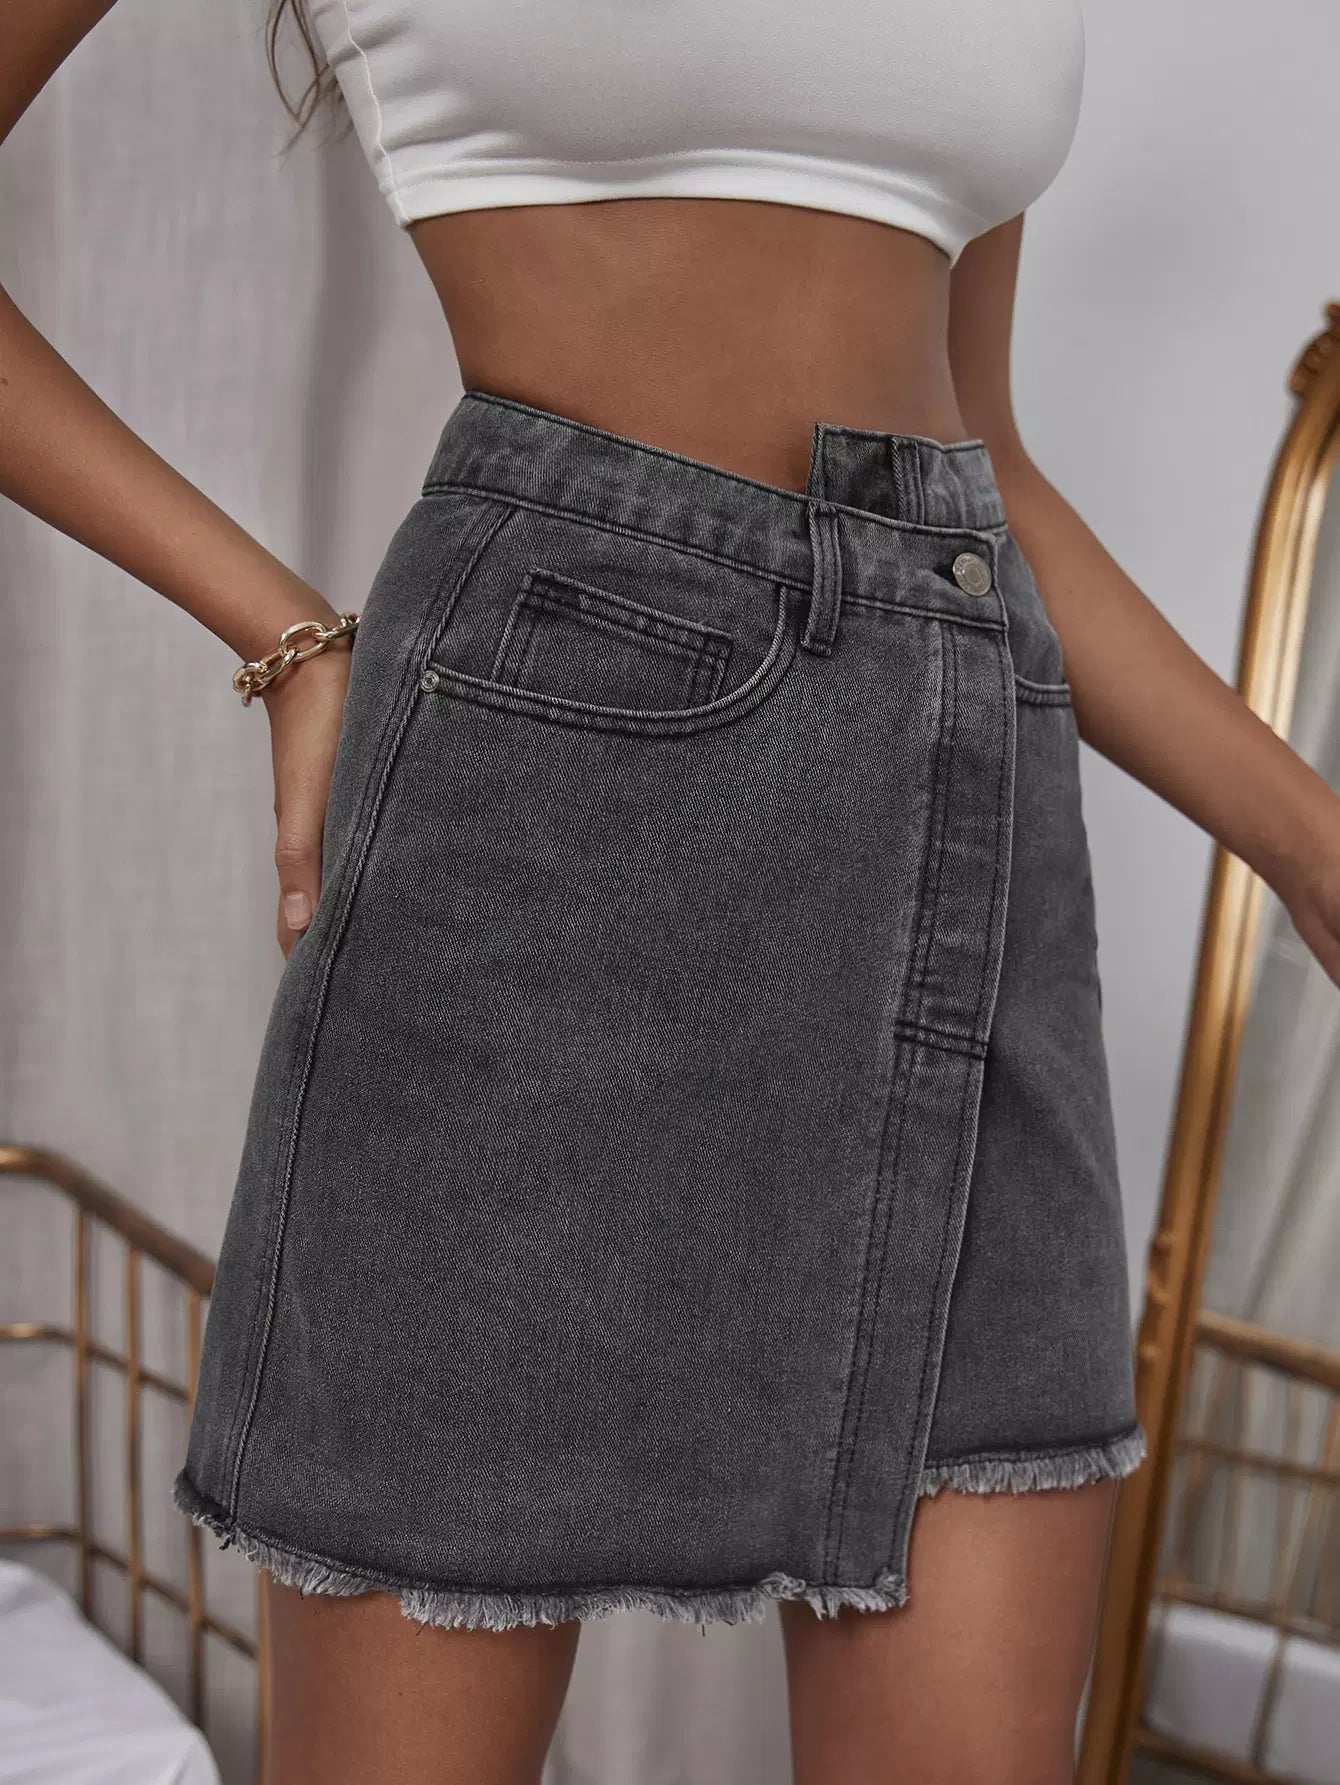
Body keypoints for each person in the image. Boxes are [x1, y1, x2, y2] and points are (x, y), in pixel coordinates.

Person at [5, 3, 1339, 1781]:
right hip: (552, 784)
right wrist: (286, 637)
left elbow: (987, 463)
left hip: (970, 810)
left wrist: (1311, 840)